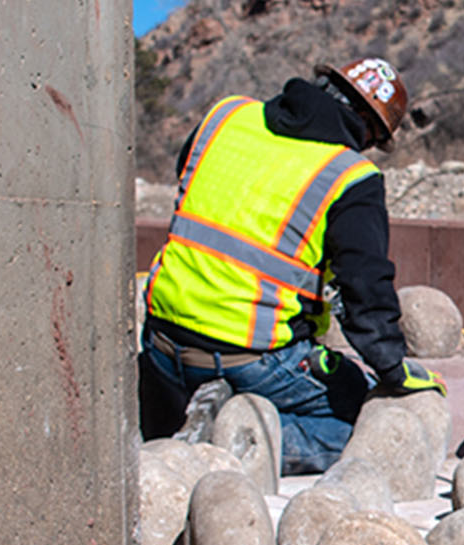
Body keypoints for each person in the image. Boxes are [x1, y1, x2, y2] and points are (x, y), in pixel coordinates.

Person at [139, 57, 443, 473]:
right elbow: (365, 291)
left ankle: (199, 415)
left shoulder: (226, 116)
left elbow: (193, 182)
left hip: (160, 344)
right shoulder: (349, 176)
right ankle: (232, 438)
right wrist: (392, 370)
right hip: (250, 358)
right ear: (368, 129)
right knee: (363, 421)